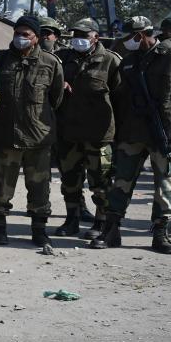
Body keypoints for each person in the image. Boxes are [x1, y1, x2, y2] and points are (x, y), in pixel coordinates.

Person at [91, 16, 171, 254]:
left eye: (128, 38)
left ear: (140, 35)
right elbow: (120, 99)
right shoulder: (129, 62)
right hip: (133, 132)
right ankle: (111, 230)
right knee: (122, 181)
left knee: (165, 184)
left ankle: (161, 233)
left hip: (166, 133)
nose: (125, 43)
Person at [0, 15, 65, 247]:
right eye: (17, 33)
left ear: (37, 38)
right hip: (6, 136)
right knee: (1, 188)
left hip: (38, 138)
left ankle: (39, 230)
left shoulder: (50, 63)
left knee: (40, 188)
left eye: (26, 34)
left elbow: (56, 98)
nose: (20, 38)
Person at [53, 18, 120, 240]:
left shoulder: (110, 61)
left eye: (83, 36)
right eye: (75, 36)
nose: (78, 40)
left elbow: (120, 98)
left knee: (100, 181)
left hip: (98, 134)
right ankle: (71, 219)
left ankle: (101, 223)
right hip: (69, 131)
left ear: (96, 37)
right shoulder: (63, 59)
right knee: (70, 180)